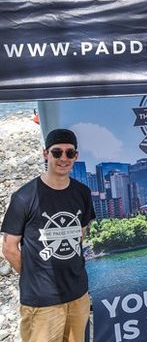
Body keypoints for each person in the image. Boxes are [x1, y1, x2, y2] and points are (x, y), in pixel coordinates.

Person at [1, 128, 96, 342]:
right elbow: (9, 248)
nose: (63, 158)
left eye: (69, 153)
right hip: (41, 301)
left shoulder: (82, 193)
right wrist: (34, 275)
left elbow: (79, 234)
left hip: (78, 295)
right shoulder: (24, 197)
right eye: (56, 152)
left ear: (76, 156)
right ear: (45, 154)